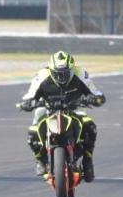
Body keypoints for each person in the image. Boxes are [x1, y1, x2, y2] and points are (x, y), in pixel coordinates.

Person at [19, 51, 106, 181]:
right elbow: (29, 94)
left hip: (74, 107)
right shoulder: (41, 75)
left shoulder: (81, 73)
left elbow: (96, 93)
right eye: (57, 74)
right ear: (50, 69)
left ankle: (87, 160)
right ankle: (39, 160)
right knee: (32, 131)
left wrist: (94, 99)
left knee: (90, 126)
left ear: (72, 69)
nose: (61, 77)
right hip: (48, 108)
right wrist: (26, 103)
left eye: (66, 73)